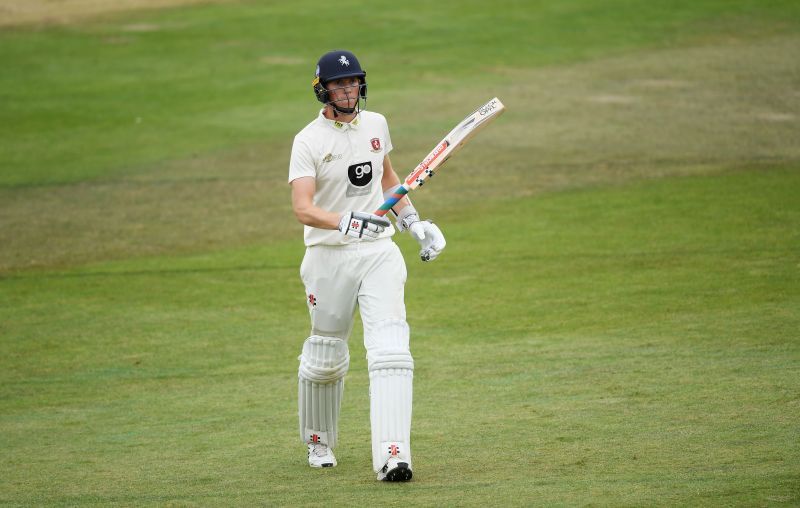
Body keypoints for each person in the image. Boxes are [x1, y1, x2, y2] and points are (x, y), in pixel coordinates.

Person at [288, 49, 446, 482]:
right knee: (326, 355)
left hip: (378, 251)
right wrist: (345, 220)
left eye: (353, 82)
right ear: (323, 89)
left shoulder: (376, 123)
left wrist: (413, 221)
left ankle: (393, 456)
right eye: (339, 84)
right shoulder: (308, 141)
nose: (348, 89)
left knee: (392, 350)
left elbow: (389, 179)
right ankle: (318, 440)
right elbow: (303, 208)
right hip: (328, 256)